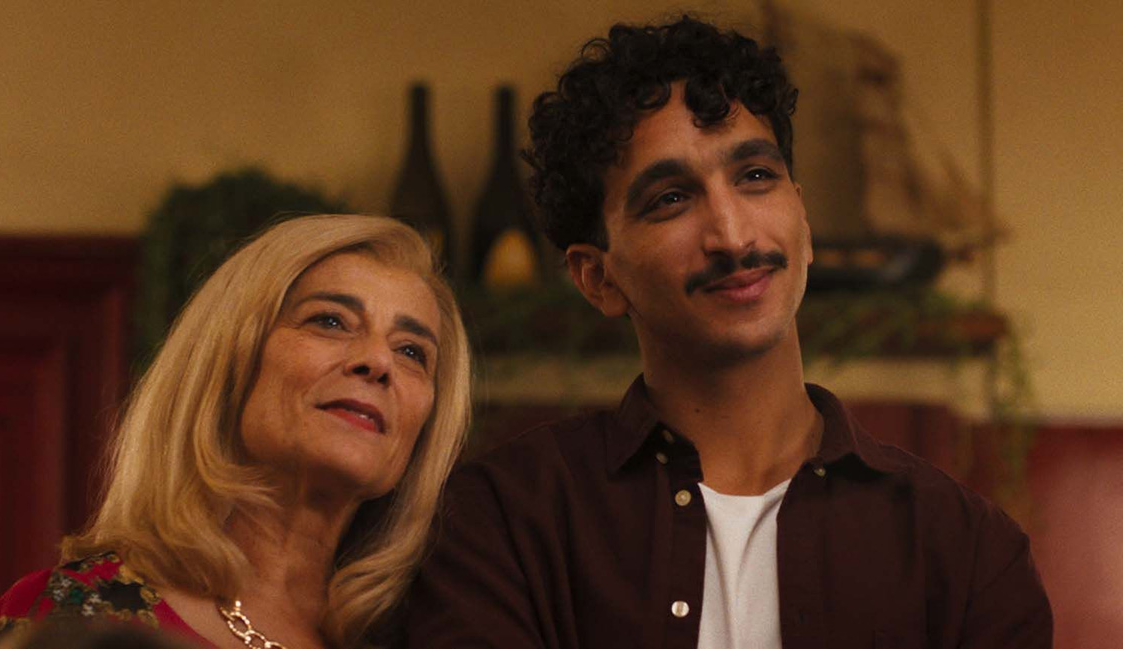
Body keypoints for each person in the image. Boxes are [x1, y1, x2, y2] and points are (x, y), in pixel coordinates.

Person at [403, 16, 1051, 649]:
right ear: (597, 278)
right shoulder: (500, 522)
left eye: (755, 177)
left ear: (804, 222)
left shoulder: (968, 551)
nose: (733, 236)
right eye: (670, 199)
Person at [0, 214, 472, 649]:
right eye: (331, 322)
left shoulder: (429, 638)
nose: (378, 361)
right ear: (229, 362)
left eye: (412, 352)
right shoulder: (70, 616)